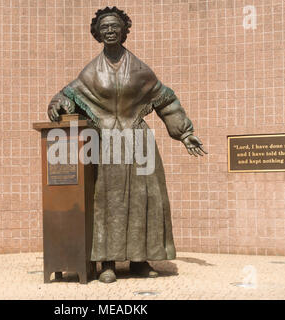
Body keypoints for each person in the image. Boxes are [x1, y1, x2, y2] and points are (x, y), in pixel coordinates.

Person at [47, 7, 207, 283]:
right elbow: (67, 94)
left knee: (145, 197)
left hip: (138, 140)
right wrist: (57, 103)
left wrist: (184, 132)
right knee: (107, 200)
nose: (110, 31)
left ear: (123, 31)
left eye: (115, 27)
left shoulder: (140, 69)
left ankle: (139, 260)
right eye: (105, 27)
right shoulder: (91, 72)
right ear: (97, 33)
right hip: (106, 142)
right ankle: (107, 261)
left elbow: (166, 100)